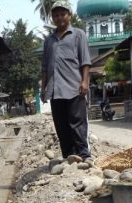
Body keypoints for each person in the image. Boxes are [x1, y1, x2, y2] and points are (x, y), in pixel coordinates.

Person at [41, 1, 93, 163]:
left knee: (77, 123)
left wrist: (84, 82)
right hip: (55, 90)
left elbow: (85, 62)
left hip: (74, 87)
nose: (59, 18)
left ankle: (84, 155)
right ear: (52, 18)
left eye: (62, 14)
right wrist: (43, 89)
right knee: (61, 125)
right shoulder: (48, 41)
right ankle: (68, 156)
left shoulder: (78, 34)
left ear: (69, 16)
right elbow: (44, 68)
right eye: (56, 15)